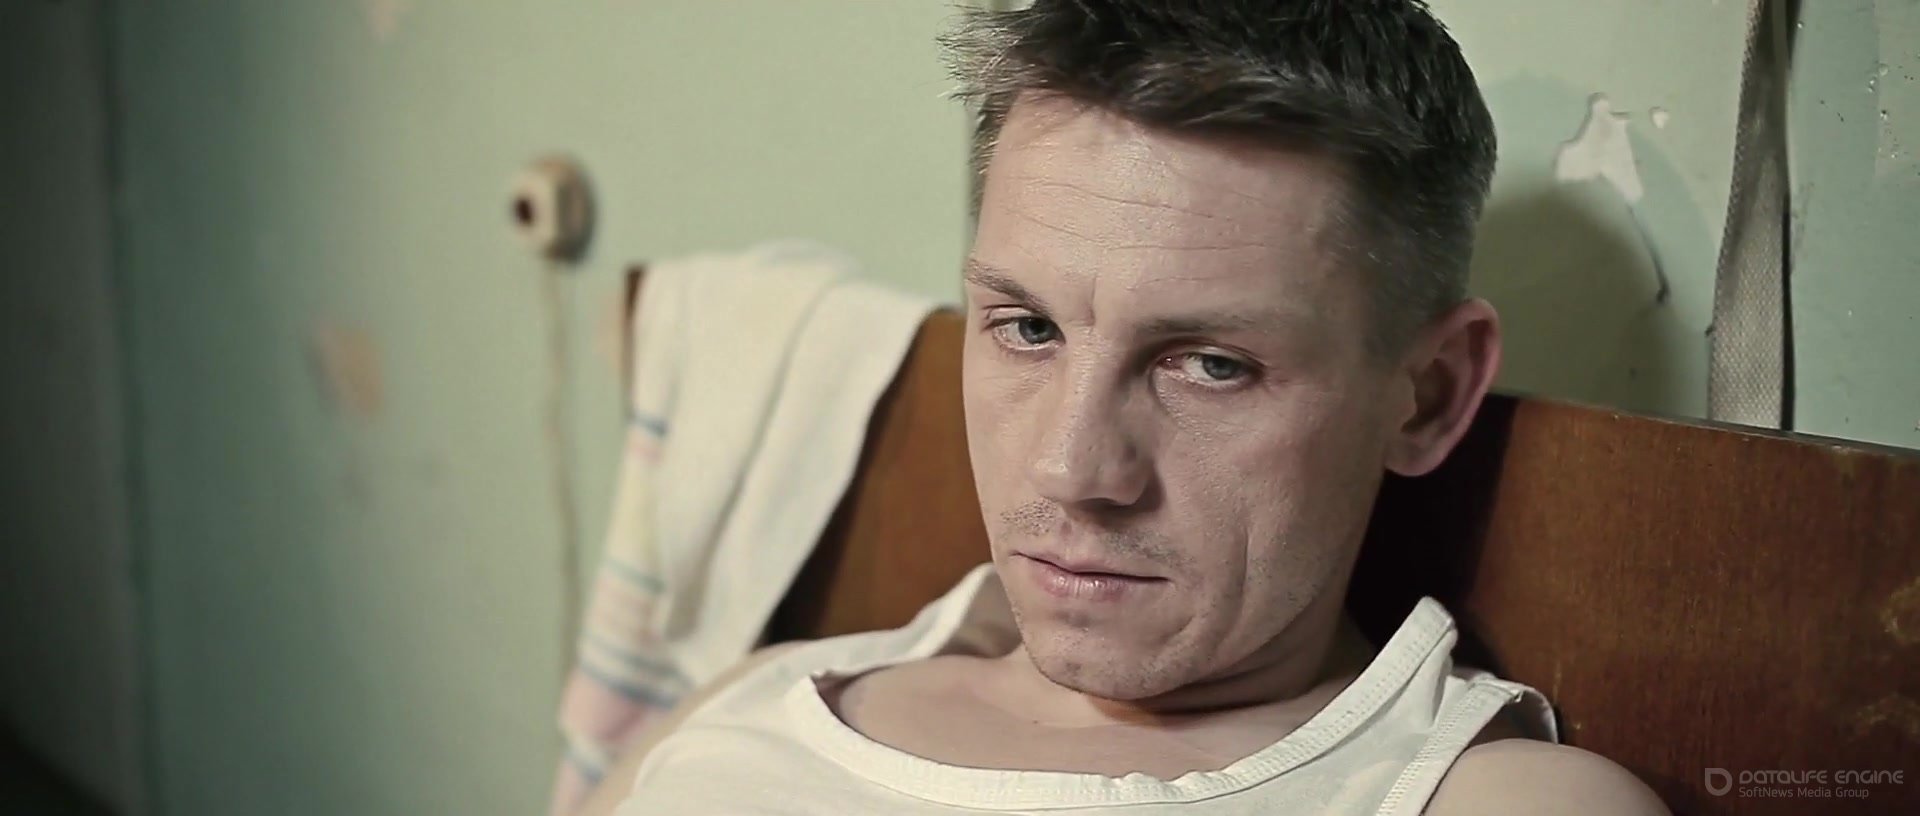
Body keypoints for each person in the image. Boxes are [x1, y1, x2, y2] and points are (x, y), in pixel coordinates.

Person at [586, 1, 1670, 813]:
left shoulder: (1480, 800)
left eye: (1210, 364)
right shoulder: (749, 704)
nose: (1070, 469)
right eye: (1029, 328)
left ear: (1427, 397)